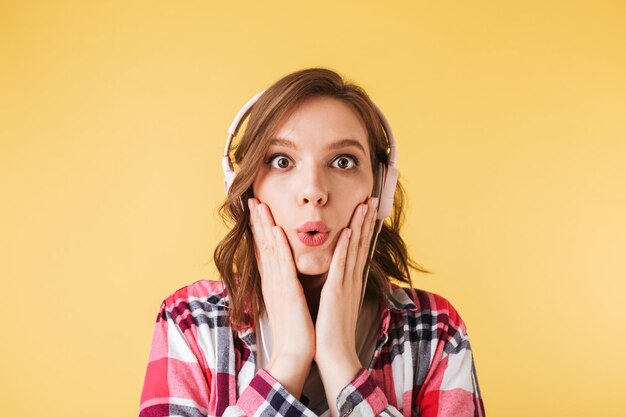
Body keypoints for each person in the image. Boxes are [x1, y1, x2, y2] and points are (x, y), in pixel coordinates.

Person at [138, 68, 485, 417]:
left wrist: (340, 362)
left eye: (343, 161)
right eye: (281, 161)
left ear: (380, 189)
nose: (313, 192)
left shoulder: (435, 331)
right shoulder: (192, 322)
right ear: (244, 188)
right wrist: (288, 360)